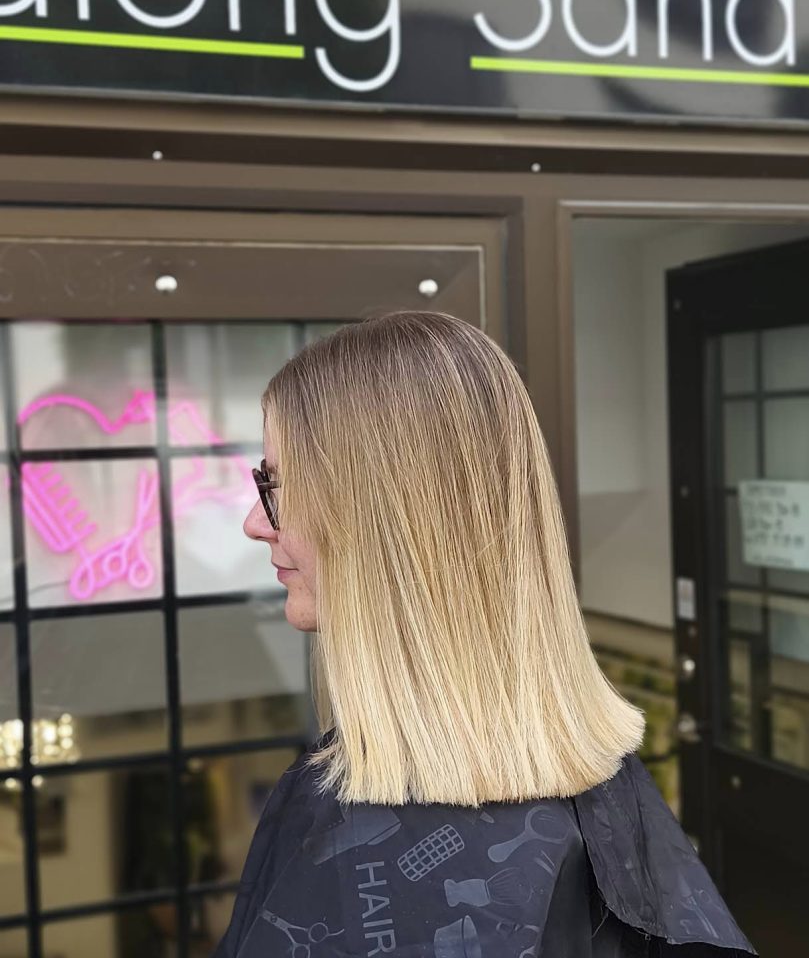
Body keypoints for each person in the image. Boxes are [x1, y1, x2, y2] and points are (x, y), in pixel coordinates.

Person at [214, 311, 757, 958]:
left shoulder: (341, 826)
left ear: (381, 521)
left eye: (275, 485)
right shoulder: (607, 782)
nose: (255, 523)